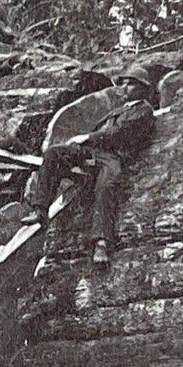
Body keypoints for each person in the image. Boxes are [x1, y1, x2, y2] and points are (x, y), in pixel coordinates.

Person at [21, 64, 157, 267]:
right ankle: (40, 210)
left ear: (143, 89)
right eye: (123, 83)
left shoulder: (143, 110)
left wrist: (88, 138)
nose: (125, 88)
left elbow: (119, 134)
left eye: (131, 84)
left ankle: (101, 244)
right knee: (54, 154)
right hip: (95, 154)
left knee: (106, 185)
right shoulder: (119, 110)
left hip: (114, 156)